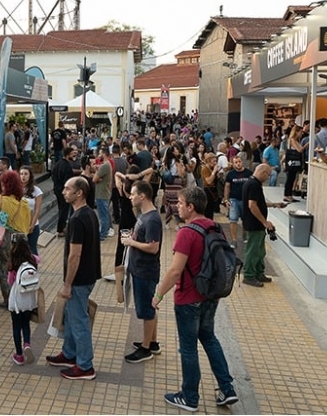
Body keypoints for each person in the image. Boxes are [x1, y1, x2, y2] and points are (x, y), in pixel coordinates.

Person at [152, 186, 238, 411]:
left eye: (180, 203)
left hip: (189, 298)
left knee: (188, 348)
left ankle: (189, 397)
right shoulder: (214, 227)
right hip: (210, 296)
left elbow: (174, 271)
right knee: (209, 339)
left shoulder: (187, 233)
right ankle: (227, 389)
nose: (177, 207)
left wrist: (159, 294)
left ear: (191, 207)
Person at [46, 176, 101, 380]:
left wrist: (67, 284)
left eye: (68, 189)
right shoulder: (89, 214)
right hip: (88, 275)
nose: (63, 191)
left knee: (79, 322)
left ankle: (85, 365)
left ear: (79, 193)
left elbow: (75, 255)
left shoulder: (78, 219)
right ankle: (69, 354)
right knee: (71, 317)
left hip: (79, 279)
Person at [122, 180, 162, 363]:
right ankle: (151, 342)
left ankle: (146, 348)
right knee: (149, 308)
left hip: (145, 271)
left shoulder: (153, 219)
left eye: (132, 193)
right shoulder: (143, 215)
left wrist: (132, 243)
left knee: (146, 310)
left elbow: (153, 248)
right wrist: (132, 238)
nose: (130, 196)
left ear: (142, 196)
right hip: (139, 268)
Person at [0, 170, 31, 308]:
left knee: (3, 270)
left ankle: (9, 300)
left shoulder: (1, 200)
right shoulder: (24, 202)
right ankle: (21, 297)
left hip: (4, 240)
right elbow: (27, 224)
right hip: (21, 240)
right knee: (18, 269)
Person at [242, 164, 287, 287]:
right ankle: (249, 275)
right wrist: (265, 222)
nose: (267, 178)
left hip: (256, 224)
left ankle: (258, 272)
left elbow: (258, 203)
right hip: (254, 224)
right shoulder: (253, 185)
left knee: (260, 251)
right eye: (267, 175)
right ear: (262, 172)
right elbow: (252, 205)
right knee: (253, 250)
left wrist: (274, 205)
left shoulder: (252, 184)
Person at [7, 233, 39, 365]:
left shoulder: (13, 262)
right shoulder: (33, 260)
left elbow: (10, 282)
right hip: (29, 300)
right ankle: (27, 344)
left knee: (16, 327)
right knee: (26, 324)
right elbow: (38, 259)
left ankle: (19, 355)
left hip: (16, 301)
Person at [223, 156, 253, 248]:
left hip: (246, 199)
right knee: (233, 219)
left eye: (239, 161)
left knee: (246, 219)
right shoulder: (230, 174)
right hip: (234, 199)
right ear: (233, 164)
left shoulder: (249, 173)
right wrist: (226, 199)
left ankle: (244, 235)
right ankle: (234, 240)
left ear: (242, 162)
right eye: (236, 162)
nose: (238, 164)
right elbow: (227, 187)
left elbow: (253, 186)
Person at [51, 146, 76, 237]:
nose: (74, 155)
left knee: (61, 209)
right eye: (72, 154)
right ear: (68, 154)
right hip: (63, 191)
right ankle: (60, 229)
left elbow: (53, 176)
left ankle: (61, 227)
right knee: (64, 210)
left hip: (57, 189)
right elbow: (67, 182)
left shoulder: (58, 163)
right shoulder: (67, 166)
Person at [19, 165, 43, 255]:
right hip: (19, 226)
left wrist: (32, 225)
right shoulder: (15, 190)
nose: (23, 176)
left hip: (32, 225)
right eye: (21, 174)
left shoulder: (37, 191)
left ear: (30, 176)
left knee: (32, 250)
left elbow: (37, 210)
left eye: (26, 174)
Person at [92, 146, 113, 241]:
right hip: (104, 192)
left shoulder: (105, 166)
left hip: (101, 194)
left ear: (104, 154)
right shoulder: (106, 165)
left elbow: (94, 179)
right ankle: (105, 231)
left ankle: (103, 234)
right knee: (104, 214)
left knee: (103, 215)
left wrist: (97, 177)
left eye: (100, 153)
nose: (98, 156)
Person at [283, 125, 307, 203]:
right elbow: (299, 150)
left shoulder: (296, 140)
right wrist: (307, 144)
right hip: (292, 161)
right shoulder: (292, 139)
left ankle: (289, 194)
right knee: (290, 178)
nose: (301, 134)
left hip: (293, 162)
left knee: (292, 178)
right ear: (296, 132)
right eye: (300, 132)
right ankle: (287, 195)